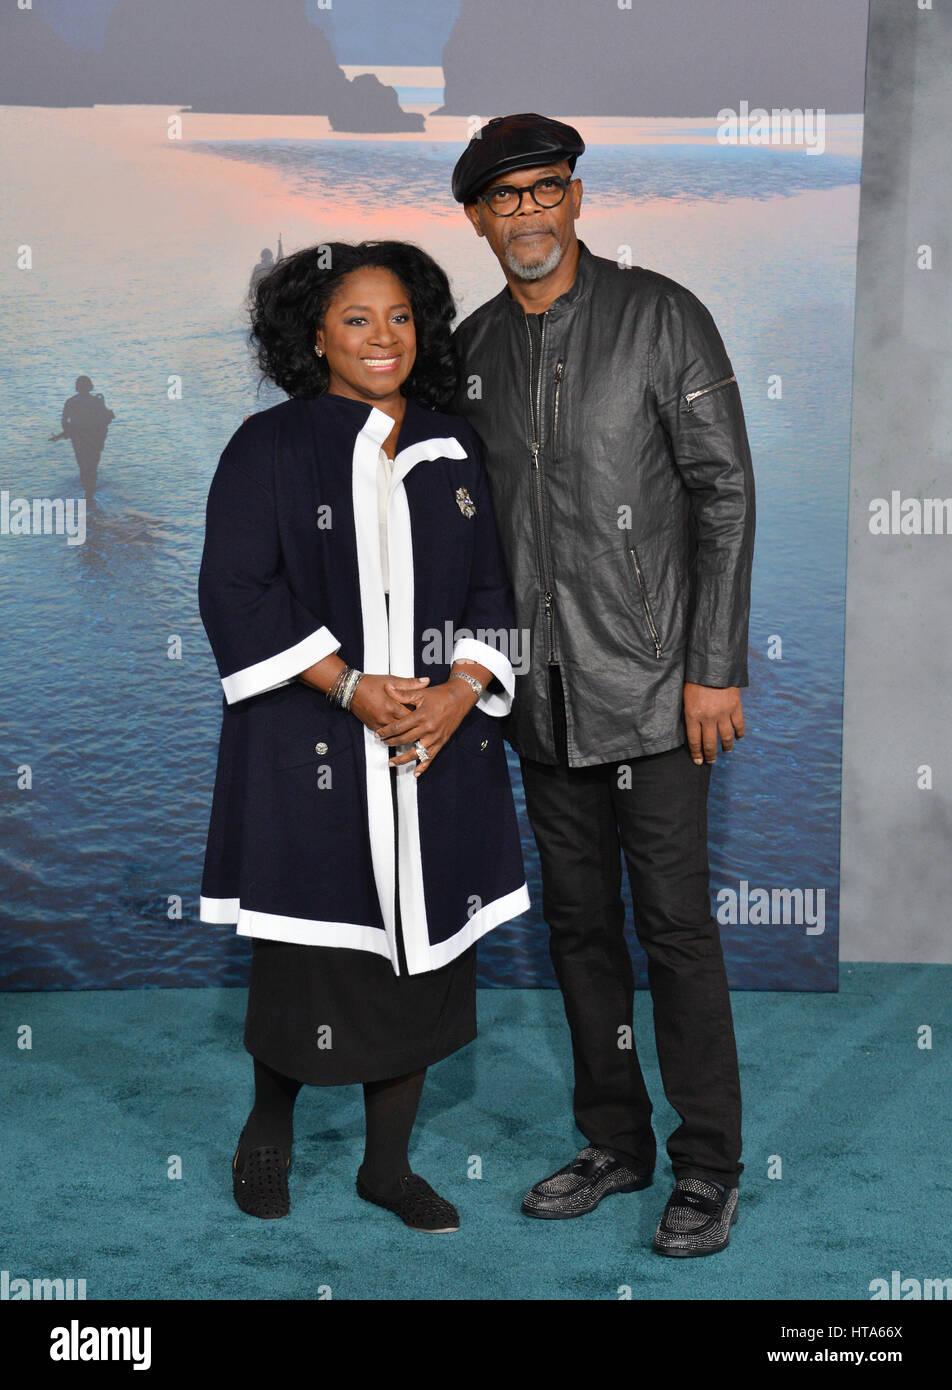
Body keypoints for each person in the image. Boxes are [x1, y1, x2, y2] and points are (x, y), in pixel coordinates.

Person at [450, 114, 756, 1256]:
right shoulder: (472, 347)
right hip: (540, 701)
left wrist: (712, 667)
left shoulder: (661, 315)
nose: (526, 215)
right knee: (580, 930)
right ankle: (614, 1143)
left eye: (545, 191)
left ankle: (709, 1165)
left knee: (674, 929)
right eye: (503, 199)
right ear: (476, 217)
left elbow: (723, 492)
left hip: (659, 691)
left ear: (575, 197)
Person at [198, 240, 528, 1233]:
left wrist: (463, 688)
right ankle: (268, 1123)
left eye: (398, 317)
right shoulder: (270, 446)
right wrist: (346, 686)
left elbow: (492, 594)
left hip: (435, 752)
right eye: (355, 318)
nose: (381, 337)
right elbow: (234, 590)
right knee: (310, 952)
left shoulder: (451, 444)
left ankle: (387, 1167)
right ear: (313, 335)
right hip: (314, 751)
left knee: (419, 969)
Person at [52, 375, 115, 498]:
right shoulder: (97, 401)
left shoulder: (70, 402)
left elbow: (64, 421)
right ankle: (90, 492)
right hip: (95, 438)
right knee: (93, 465)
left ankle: (87, 492)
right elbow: (107, 419)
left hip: (78, 438)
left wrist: (67, 432)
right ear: (90, 387)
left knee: (82, 465)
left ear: (77, 387)